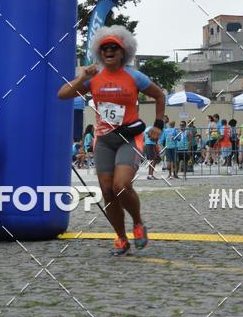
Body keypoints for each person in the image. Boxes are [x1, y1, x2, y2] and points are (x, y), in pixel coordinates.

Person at [58, 26, 165, 256]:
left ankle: (137, 222)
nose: (109, 51)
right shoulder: (93, 76)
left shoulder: (134, 76)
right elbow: (62, 94)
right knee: (107, 191)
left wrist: (158, 125)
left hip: (129, 138)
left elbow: (159, 95)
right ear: (99, 51)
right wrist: (81, 79)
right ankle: (121, 237)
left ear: (123, 51)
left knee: (121, 186)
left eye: (114, 47)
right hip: (104, 140)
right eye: (104, 47)